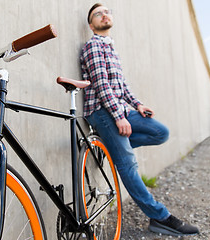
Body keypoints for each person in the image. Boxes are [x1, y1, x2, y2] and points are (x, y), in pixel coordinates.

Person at [80, 3, 199, 236]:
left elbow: (121, 86)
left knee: (160, 132)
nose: (104, 15)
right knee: (128, 164)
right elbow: (102, 86)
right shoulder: (92, 46)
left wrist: (137, 105)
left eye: (107, 11)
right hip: (101, 111)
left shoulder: (111, 48)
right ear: (91, 24)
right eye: (97, 14)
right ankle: (160, 217)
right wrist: (117, 117)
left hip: (118, 109)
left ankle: (111, 147)